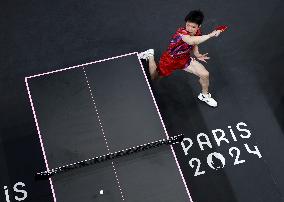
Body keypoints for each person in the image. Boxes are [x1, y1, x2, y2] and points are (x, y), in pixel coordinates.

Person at [138, 10, 223, 107]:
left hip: (184, 59)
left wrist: (197, 54)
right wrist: (210, 35)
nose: (190, 29)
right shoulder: (181, 32)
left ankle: (205, 95)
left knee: (205, 74)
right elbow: (191, 41)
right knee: (154, 77)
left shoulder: (198, 32)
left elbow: (195, 43)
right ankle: (150, 55)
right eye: (188, 25)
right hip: (170, 60)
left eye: (193, 27)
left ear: (199, 26)